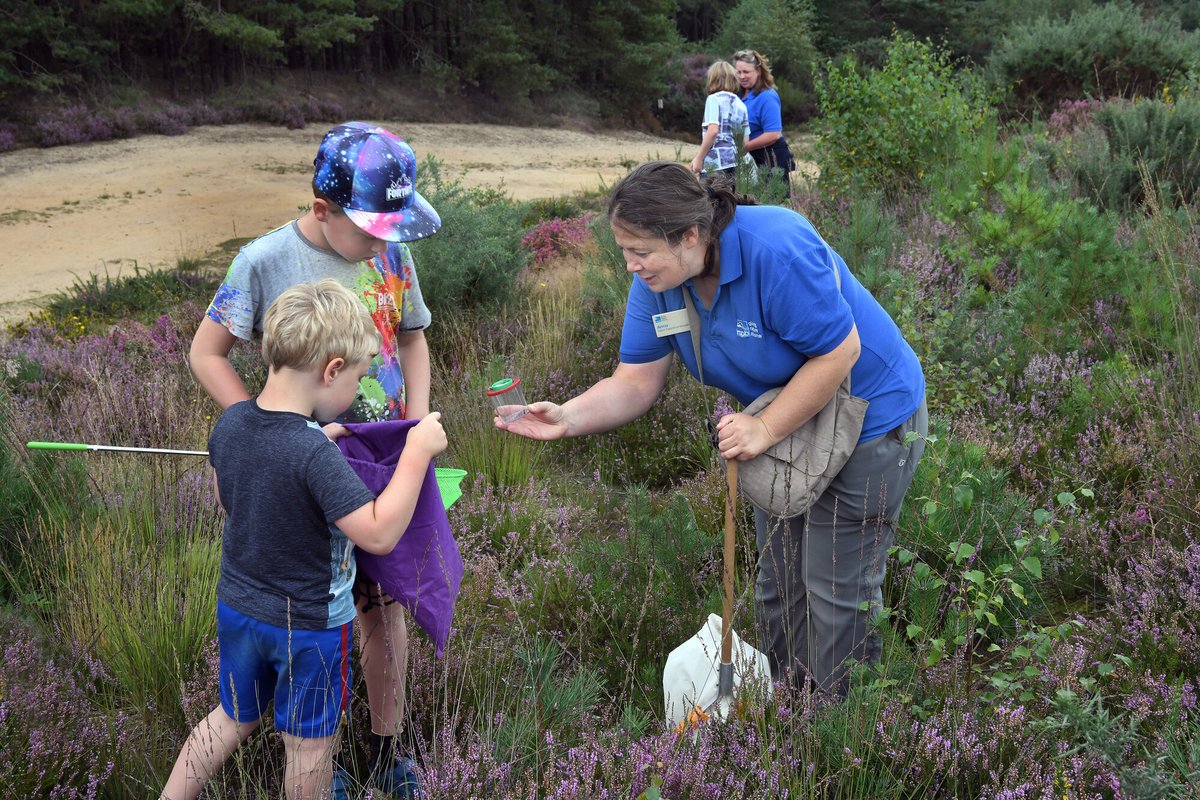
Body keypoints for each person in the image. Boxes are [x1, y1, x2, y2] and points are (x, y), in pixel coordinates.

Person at [496, 162, 928, 700]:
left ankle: (840, 724)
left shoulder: (776, 249)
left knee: (836, 584)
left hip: (868, 417)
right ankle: (784, 708)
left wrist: (764, 427)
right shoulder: (660, 282)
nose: (630, 265)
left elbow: (841, 352)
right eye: (624, 250)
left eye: (640, 250)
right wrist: (567, 417)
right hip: (782, 423)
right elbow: (635, 381)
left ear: (690, 234)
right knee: (779, 581)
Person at [189, 121, 440, 796]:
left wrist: (412, 426)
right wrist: (267, 432)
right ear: (323, 209)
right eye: (371, 230)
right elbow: (206, 352)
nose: (383, 242)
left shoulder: (391, 250)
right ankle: (311, 754)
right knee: (309, 612)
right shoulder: (264, 260)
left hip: (383, 467)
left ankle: (383, 749)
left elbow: (412, 337)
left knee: (384, 609)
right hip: (305, 474)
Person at [162, 280, 447, 800]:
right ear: (332, 370)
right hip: (309, 628)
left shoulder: (231, 424)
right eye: (357, 377)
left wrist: (318, 443)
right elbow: (379, 533)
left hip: (239, 609)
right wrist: (417, 451)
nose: (354, 392)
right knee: (309, 746)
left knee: (230, 717)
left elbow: (230, 502)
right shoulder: (315, 456)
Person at [733, 49, 796, 180]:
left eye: (746, 72)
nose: (742, 76)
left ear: (758, 71)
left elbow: (773, 134)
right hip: (748, 159)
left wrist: (744, 148)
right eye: (738, 72)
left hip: (770, 158)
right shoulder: (736, 95)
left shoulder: (767, 96)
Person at [689, 61, 751, 181]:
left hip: (714, 166)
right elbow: (745, 143)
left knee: (709, 194)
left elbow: (713, 131)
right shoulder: (741, 105)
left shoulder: (713, 99)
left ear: (713, 79)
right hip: (735, 166)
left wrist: (699, 158)